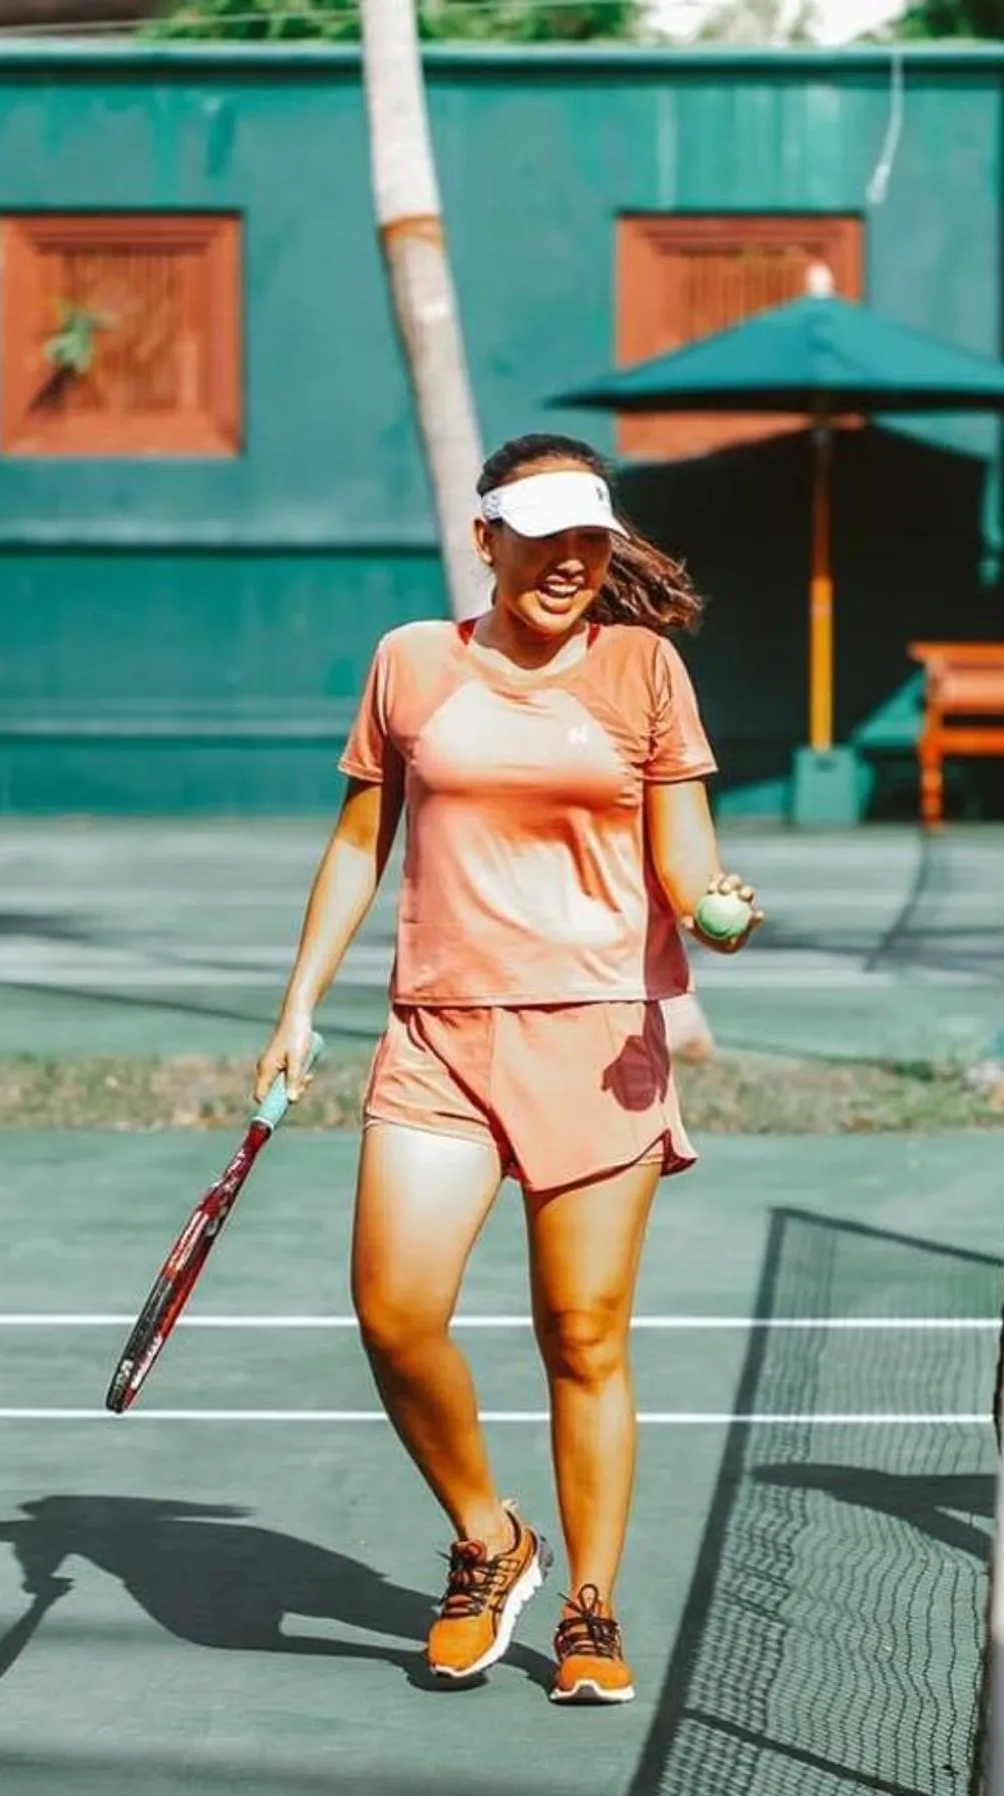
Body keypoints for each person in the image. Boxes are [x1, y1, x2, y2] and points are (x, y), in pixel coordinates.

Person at [253, 431, 760, 1705]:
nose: (569, 563)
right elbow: (360, 841)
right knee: (395, 1313)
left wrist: (716, 912)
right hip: (438, 1038)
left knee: (581, 1335)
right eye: (542, 540)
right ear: (488, 541)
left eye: (589, 540)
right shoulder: (411, 662)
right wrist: (299, 1004)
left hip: (597, 1046)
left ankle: (590, 1605)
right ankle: (489, 1540)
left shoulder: (644, 669)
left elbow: (686, 863)